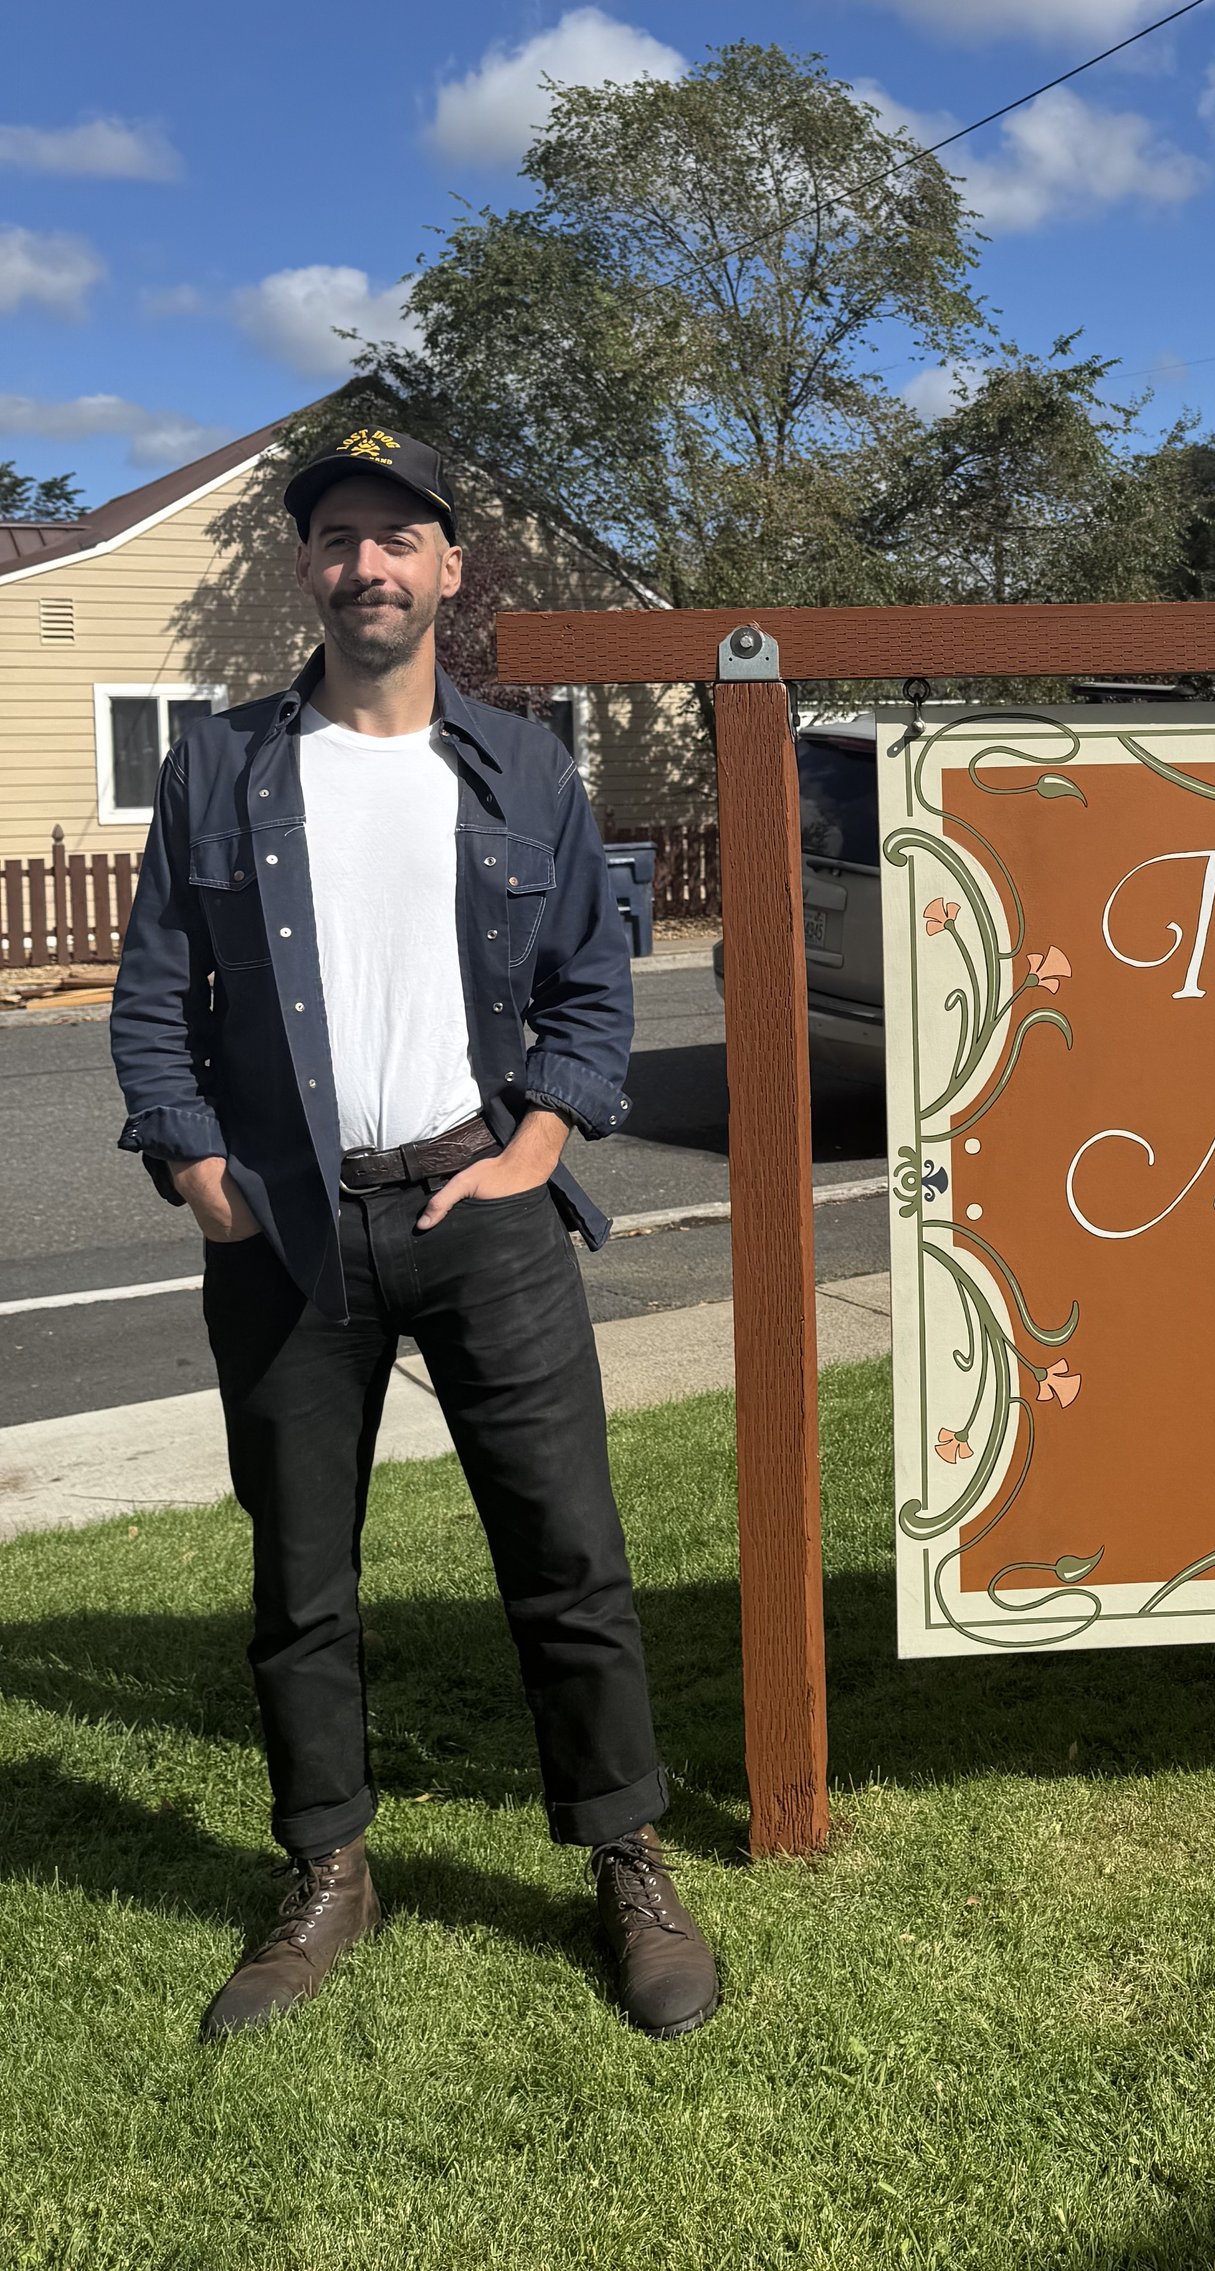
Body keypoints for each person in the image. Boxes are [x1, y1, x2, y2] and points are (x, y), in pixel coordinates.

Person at [108, 425, 720, 2042]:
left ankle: (624, 1852)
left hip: (483, 1215)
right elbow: (156, 996)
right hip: (287, 1233)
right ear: (306, 572)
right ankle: (327, 1869)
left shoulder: (527, 770)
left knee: (569, 1556)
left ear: (451, 569)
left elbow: (594, 990)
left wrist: (536, 1146)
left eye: (397, 538)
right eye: (337, 540)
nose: (365, 565)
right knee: (300, 1577)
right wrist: (196, 1172)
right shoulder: (221, 767)